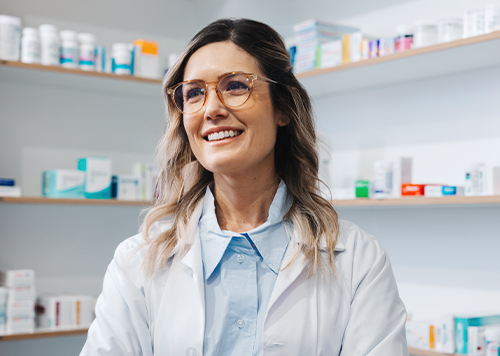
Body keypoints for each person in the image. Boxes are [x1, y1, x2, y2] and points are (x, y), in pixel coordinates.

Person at [80, 18, 409, 356]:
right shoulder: (137, 262)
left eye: (235, 86)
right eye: (194, 93)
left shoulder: (358, 261)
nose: (211, 109)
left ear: (282, 107)